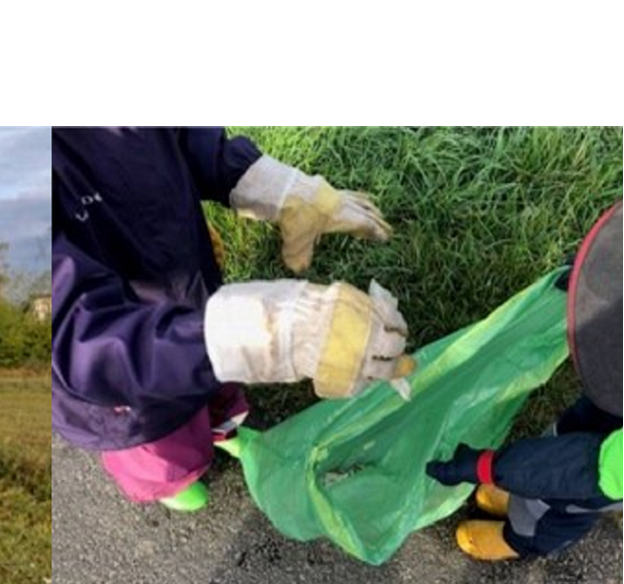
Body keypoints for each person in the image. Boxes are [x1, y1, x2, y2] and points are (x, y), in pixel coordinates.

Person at [52, 127, 410, 512]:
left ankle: (219, 431)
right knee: (161, 443)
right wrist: (267, 333)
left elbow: (180, 137)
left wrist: (273, 186)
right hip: (123, 382)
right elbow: (73, 336)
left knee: (214, 386)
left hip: (190, 294)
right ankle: (171, 482)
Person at [426, 201, 622, 560]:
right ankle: (519, 492)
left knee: (552, 510)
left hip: (594, 475)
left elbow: (579, 467)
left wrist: (488, 467)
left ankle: (518, 541)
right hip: (604, 423)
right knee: (562, 442)